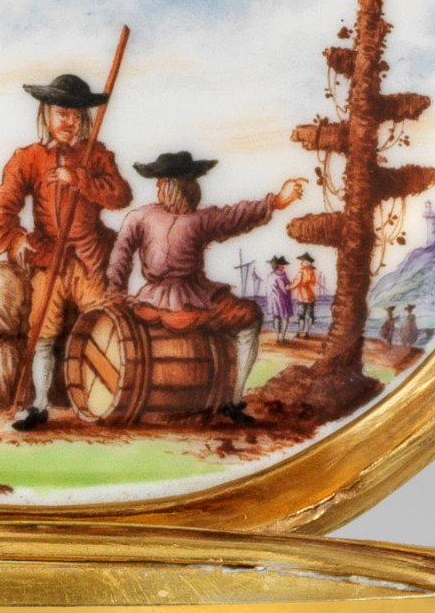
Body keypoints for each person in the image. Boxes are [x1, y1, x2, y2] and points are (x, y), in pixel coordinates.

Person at [107, 152, 307, 424]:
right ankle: (232, 400)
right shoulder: (155, 217)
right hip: (174, 300)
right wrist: (115, 293)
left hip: (174, 298)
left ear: (169, 185)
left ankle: (230, 397)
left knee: (247, 317)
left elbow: (237, 216)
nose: (158, 187)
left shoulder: (164, 217)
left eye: (161, 182)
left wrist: (275, 202)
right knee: (248, 320)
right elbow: (120, 255)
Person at [0, 71, 133, 432]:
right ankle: (39, 406)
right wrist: (15, 239)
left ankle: (107, 399)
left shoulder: (96, 155)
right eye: (61, 113)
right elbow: (5, 206)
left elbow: (121, 195)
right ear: (46, 114)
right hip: (48, 258)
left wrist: (80, 179)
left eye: (76, 115)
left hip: (90, 258)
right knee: (44, 332)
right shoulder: (29, 158)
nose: (69, 122)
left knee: (105, 326)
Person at [266, 256, 294, 341]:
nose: (284, 267)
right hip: (282, 300)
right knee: (285, 318)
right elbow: (284, 289)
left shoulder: (270, 275)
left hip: (273, 300)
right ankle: (282, 337)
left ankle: (278, 337)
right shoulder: (281, 275)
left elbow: (269, 290)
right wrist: (289, 286)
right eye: (282, 265)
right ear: (278, 266)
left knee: (276, 317)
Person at [292, 253, 319, 337]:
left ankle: (299, 332)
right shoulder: (312, 271)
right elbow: (313, 283)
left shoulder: (301, 270)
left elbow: (297, 282)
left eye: (302, 261)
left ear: (306, 262)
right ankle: (307, 332)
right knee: (309, 315)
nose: (301, 262)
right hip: (310, 295)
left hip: (302, 296)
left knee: (301, 315)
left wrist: (288, 287)